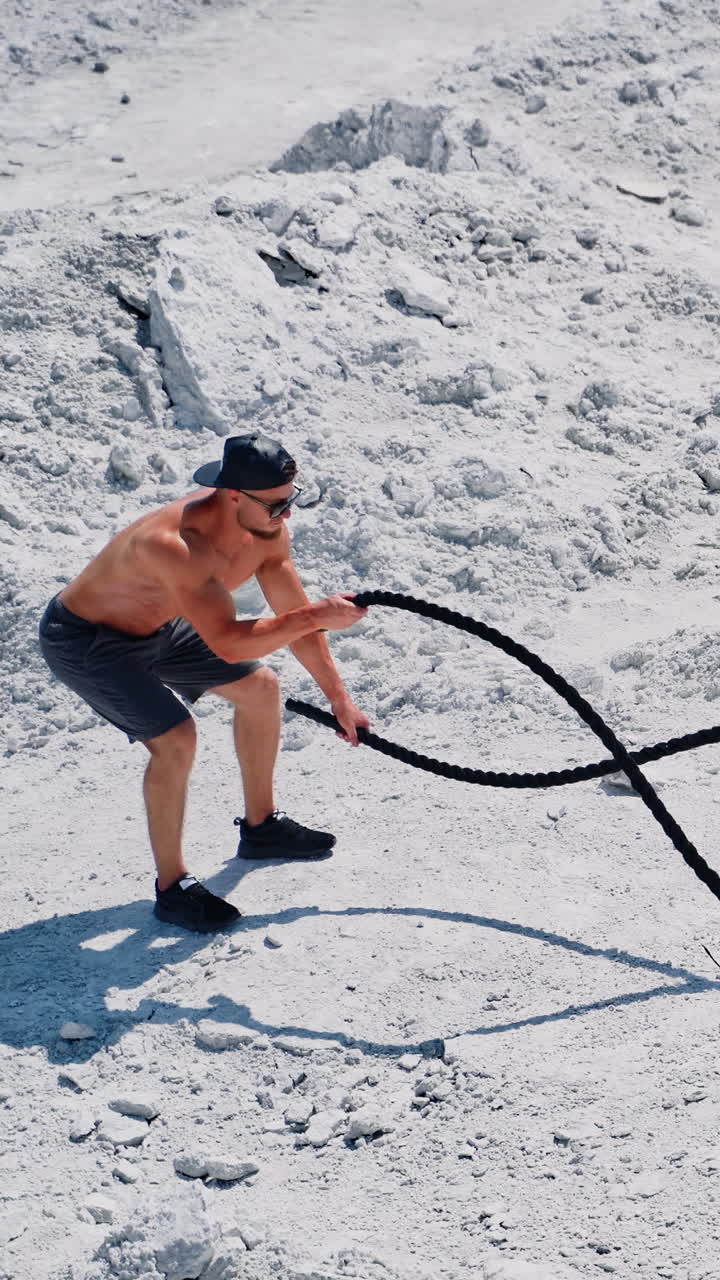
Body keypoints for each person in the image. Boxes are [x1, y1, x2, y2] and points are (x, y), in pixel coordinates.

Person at [38, 431, 369, 934]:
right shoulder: (175, 545)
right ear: (233, 495)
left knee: (261, 688)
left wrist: (340, 700)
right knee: (176, 738)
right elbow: (233, 642)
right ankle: (173, 889)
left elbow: (297, 620)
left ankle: (261, 828)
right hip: (88, 640)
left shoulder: (267, 529)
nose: (287, 516)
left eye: (291, 500)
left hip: (162, 626)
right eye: (276, 506)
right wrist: (314, 616)